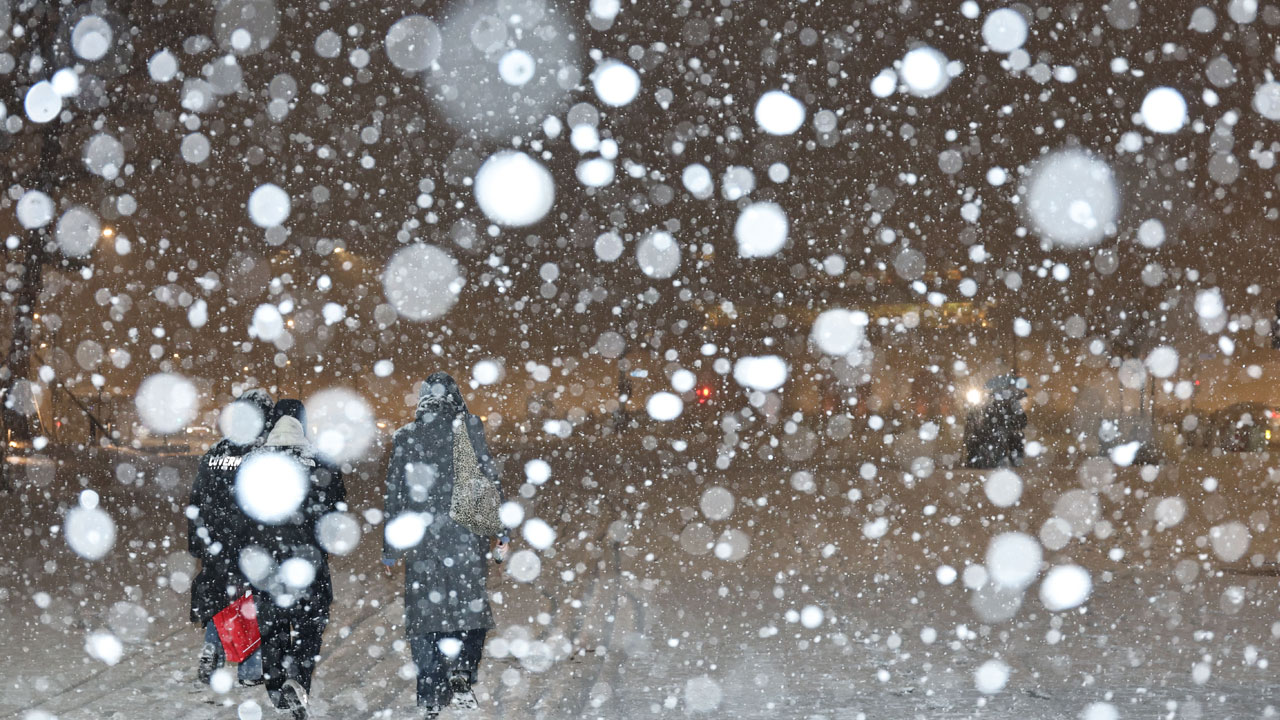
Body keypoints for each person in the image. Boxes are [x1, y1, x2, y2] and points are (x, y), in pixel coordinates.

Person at [383, 373, 508, 718]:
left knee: (424, 617)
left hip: (422, 541)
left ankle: (429, 694)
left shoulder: (406, 437)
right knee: (471, 609)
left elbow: (395, 494)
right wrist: (502, 529)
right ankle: (463, 670)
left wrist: (390, 548)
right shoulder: (468, 429)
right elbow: (487, 480)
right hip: (465, 537)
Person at [238, 407, 345, 720]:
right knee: (309, 625)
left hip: (266, 562)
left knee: (271, 626)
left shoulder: (254, 462)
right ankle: (298, 677)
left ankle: (276, 688)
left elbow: (241, 514)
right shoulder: (321, 462)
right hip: (307, 561)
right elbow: (336, 511)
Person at [188, 388, 272, 687]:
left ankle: (212, 648)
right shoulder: (262, 454)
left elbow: (196, 498)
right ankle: (250, 669)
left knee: (218, 595)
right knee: (251, 601)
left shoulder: (215, 452)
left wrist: (197, 541)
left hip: (214, 540)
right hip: (250, 541)